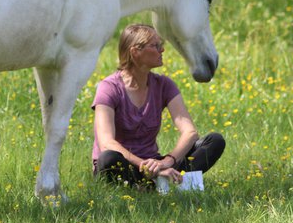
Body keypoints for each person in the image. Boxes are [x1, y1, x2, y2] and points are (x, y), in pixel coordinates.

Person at [92, 23, 225, 189]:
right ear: (135, 52)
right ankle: (161, 185)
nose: (162, 50)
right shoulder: (108, 87)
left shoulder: (164, 85)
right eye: (155, 45)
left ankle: (157, 184)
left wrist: (167, 162)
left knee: (215, 141)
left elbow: (190, 132)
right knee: (108, 158)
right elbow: (106, 142)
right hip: (126, 164)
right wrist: (145, 167)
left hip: (158, 164)